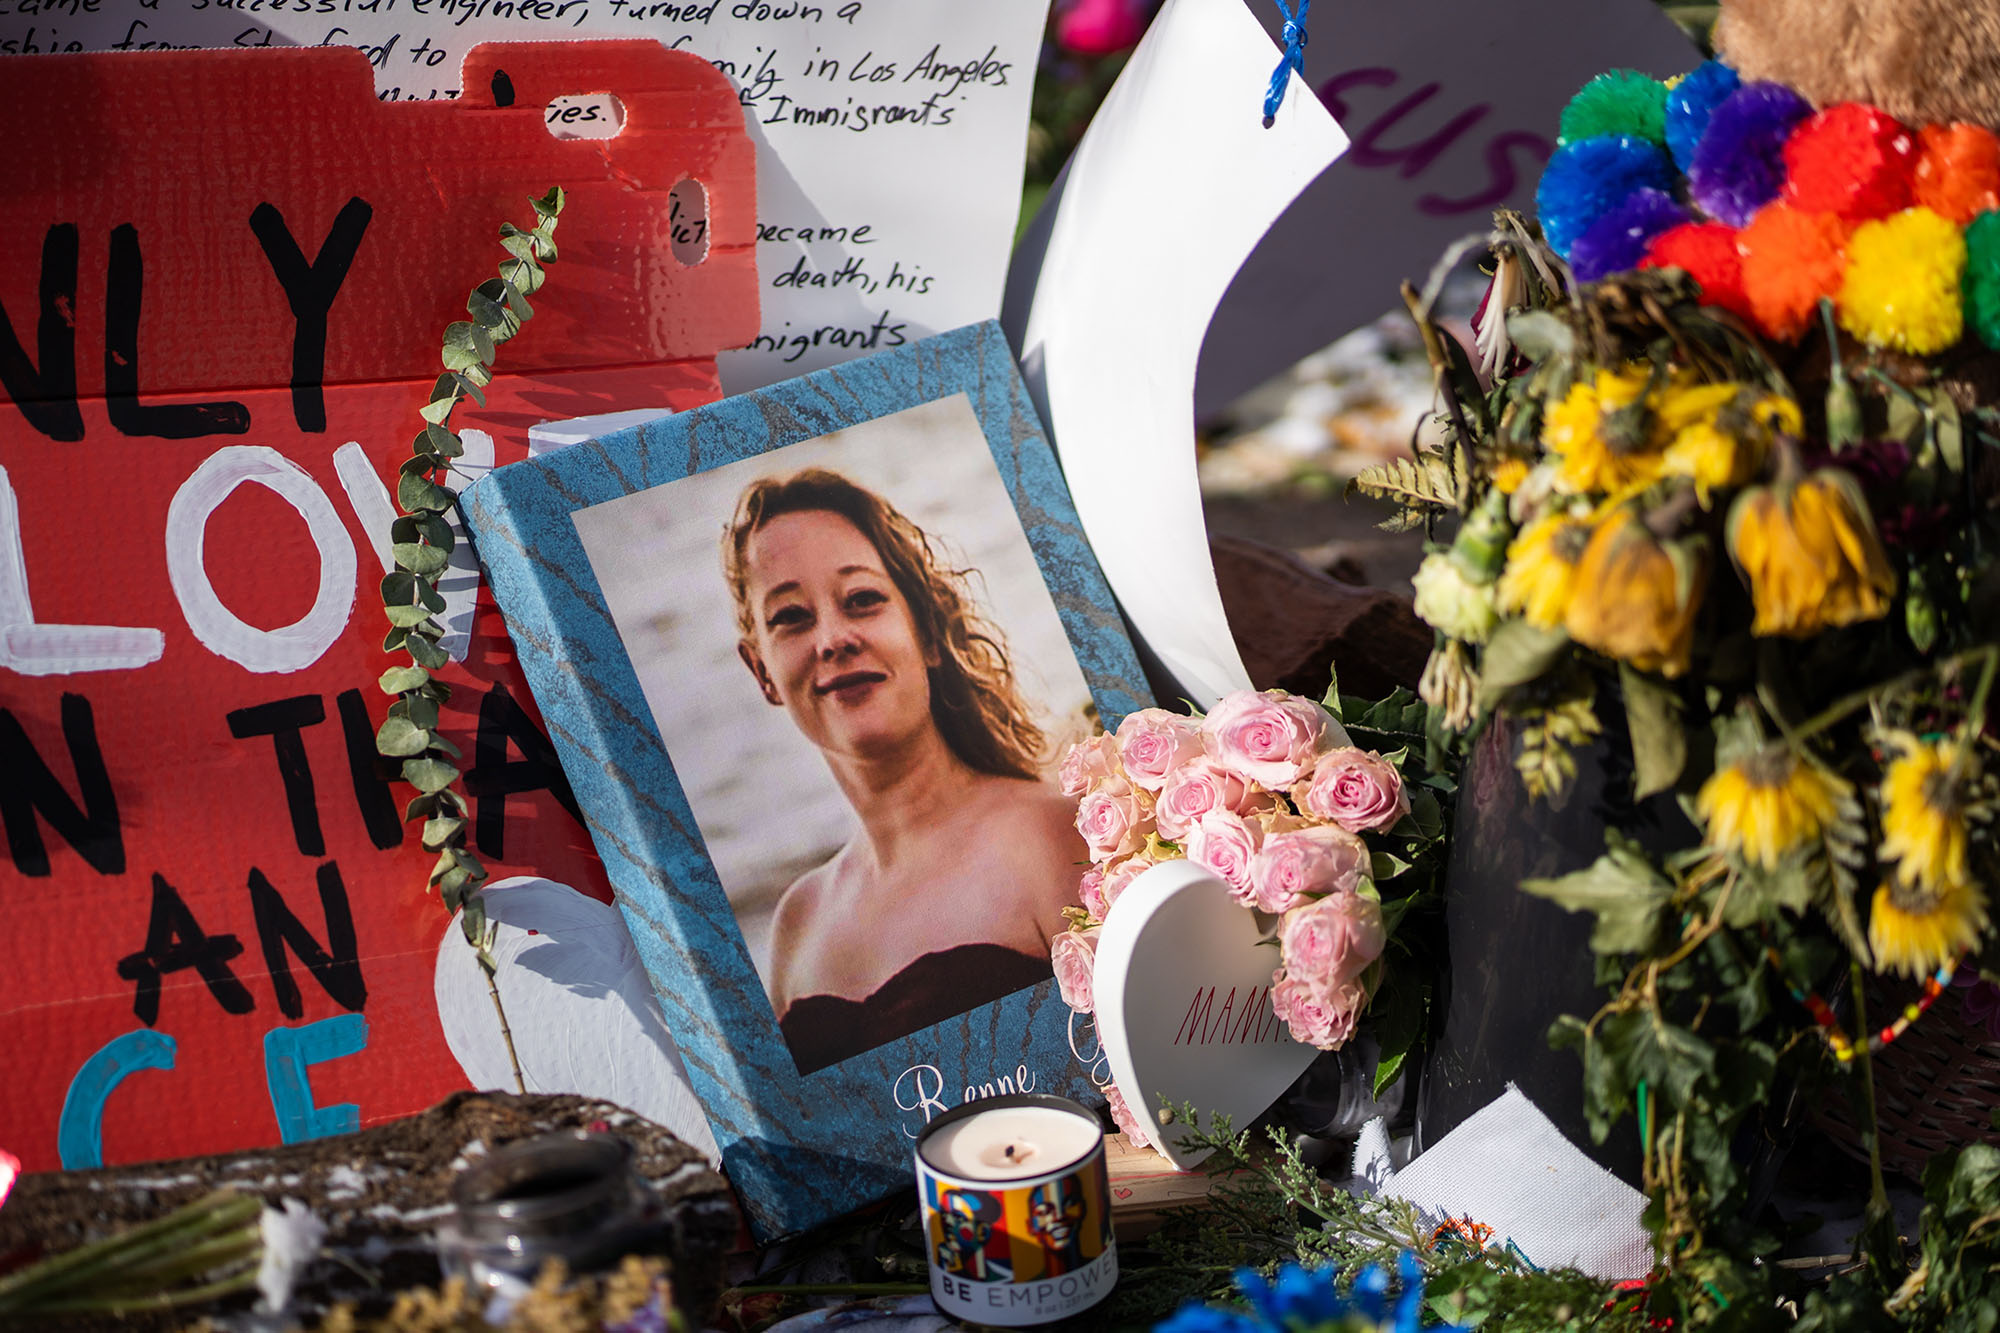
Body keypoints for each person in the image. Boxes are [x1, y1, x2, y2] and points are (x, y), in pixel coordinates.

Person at [722, 467, 1085, 1073]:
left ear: (928, 634)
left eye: (863, 600)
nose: (833, 638)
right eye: (791, 616)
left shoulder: (1054, 835)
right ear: (762, 672)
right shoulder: (795, 925)